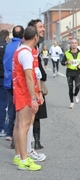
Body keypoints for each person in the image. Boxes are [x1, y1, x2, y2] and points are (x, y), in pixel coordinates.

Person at [12, 25, 42, 171]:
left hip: (18, 91)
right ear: (35, 37)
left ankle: (18, 155)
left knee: (18, 125)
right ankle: (24, 159)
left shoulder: (19, 49)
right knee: (24, 126)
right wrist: (33, 98)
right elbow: (29, 77)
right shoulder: (26, 53)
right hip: (24, 93)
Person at [28, 19, 48, 152]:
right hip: (31, 88)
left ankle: (33, 144)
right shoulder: (29, 48)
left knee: (33, 118)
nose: (43, 29)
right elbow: (32, 71)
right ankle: (28, 148)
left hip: (35, 86)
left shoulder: (36, 46)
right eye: (40, 27)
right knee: (30, 118)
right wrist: (37, 93)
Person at [3, 25, 24, 146]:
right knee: (21, 110)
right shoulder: (22, 47)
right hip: (18, 82)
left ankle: (9, 132)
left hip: (8, 81)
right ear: (22, 35)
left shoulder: (8, 46)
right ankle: (18, 137)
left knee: (11, 107)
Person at [61, 38, 80, 109]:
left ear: (77, 44)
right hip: (69, 72)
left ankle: (76, 94)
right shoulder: (67, 53)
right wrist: (66, 62)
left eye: (75, 43)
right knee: (70, 88)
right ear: (71, 44)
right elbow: (62, 62)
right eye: (72, 43)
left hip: (77, 72)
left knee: (78, 87)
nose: (74, 44)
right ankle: (72, 102)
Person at [0, 29, 9, 138]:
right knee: (3, 103)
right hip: (3, 78)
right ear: (6, 37)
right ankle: (2, 128)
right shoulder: (7, 47)